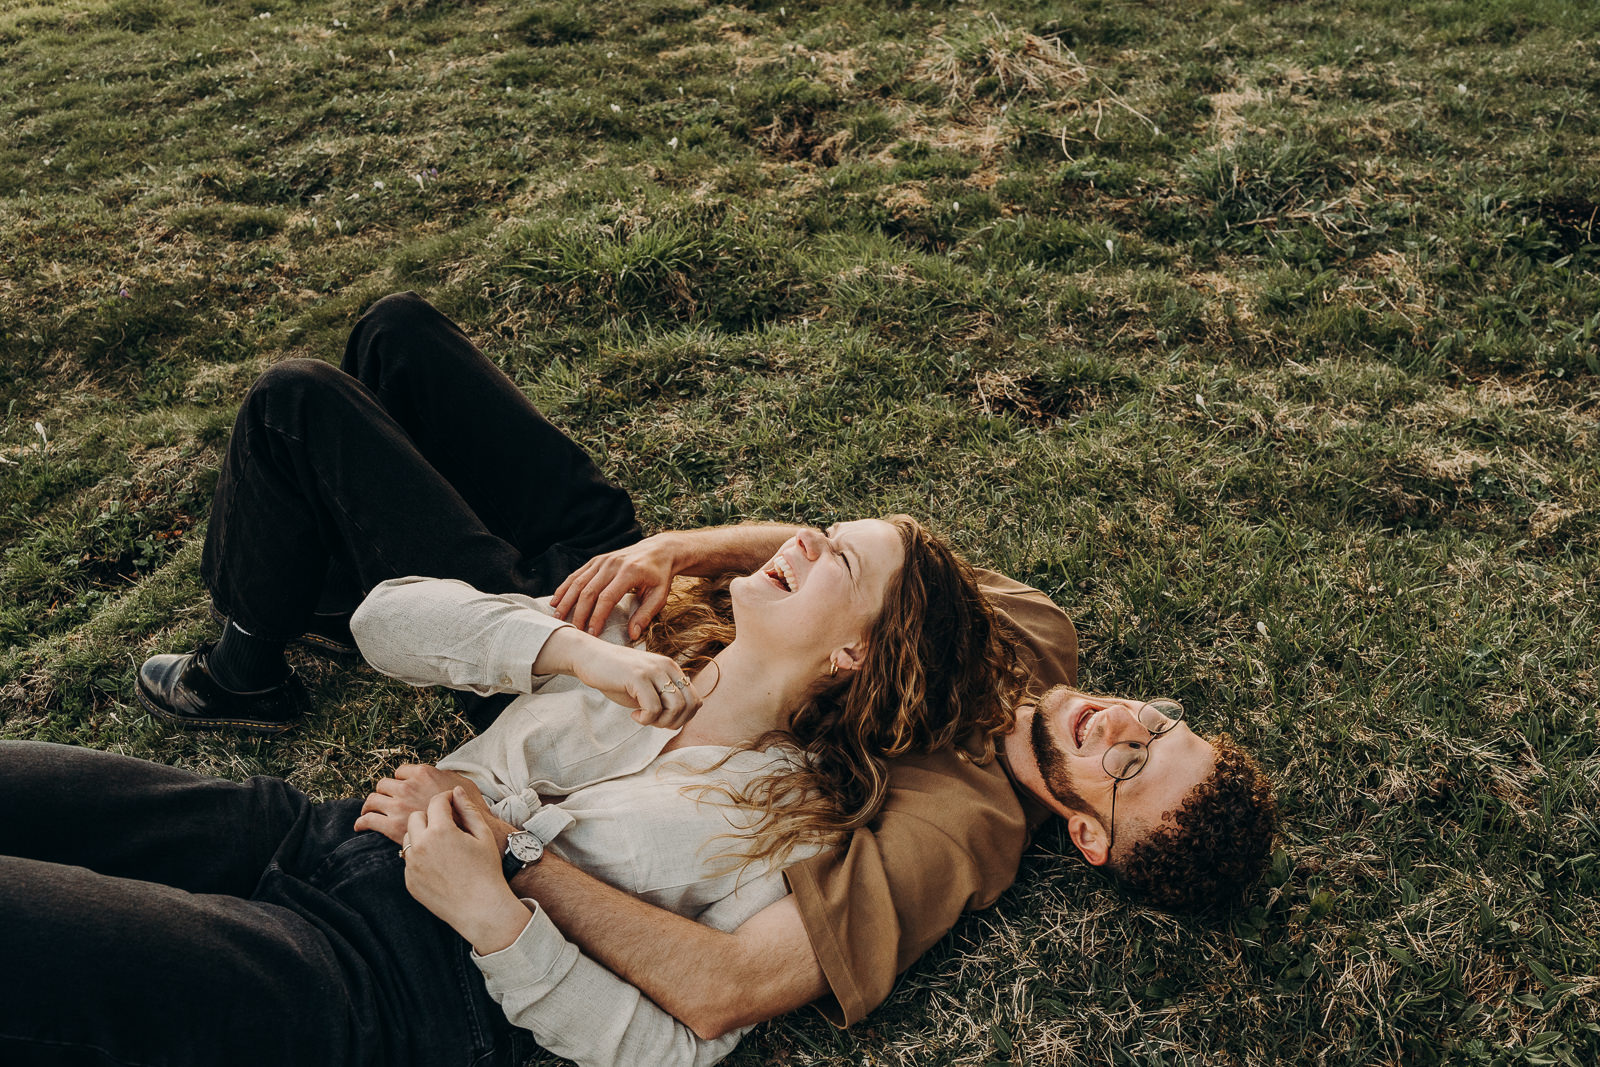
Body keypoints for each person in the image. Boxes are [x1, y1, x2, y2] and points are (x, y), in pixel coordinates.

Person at [121, 291, 1273, 1037]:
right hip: (656, 595)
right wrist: (669, 548)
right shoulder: (1042, 633)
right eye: (1159, 729)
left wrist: (519, 851)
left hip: (599, 690)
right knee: (396, 335)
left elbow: (735, 986)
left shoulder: (960, 821)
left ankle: (248, 665)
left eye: (1128, 770)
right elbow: (847, 561)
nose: (1121, 729)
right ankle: (330, 576)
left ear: (1085, 832)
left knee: (302, 407)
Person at [0, 510, 1014, 1066]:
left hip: (389, 979)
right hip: (315, 834)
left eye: (835, 553)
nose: (793, 537)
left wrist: (502, 912)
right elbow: (384, 620)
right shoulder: (643, 634)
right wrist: (575, 654)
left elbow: (667, 1050)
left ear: (852, 651)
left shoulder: (794, 824)